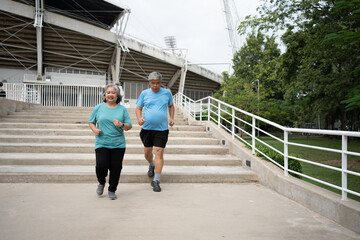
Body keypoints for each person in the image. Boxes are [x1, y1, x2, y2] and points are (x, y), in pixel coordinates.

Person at [88, 84, 132, 200]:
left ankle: (112, 189)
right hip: (102, 142)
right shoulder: (99, 107)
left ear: (117, 95)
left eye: (113, 92)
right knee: (101, 165)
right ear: (105, 95)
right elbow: (91, 122)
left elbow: (129, 126)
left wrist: (121, 124)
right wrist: (95, 130)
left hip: (118, 144)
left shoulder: (122, 109)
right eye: (108, 92)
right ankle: (101, 182)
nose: (110, 95)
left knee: (116, 168)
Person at [135, 72, 175, 192]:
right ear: (149, 82)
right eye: (153, 83)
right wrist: (139, 118)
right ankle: (151, 164)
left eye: (157, 83)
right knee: (147, 153)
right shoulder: (144, 93)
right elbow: (138, 108)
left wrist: (172, 118)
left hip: (162, 129)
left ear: (161, 83)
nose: (155, 85)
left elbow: (171, 106)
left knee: (159, 152)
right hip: (147, 129)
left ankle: (156, 180)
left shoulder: (167, 93)